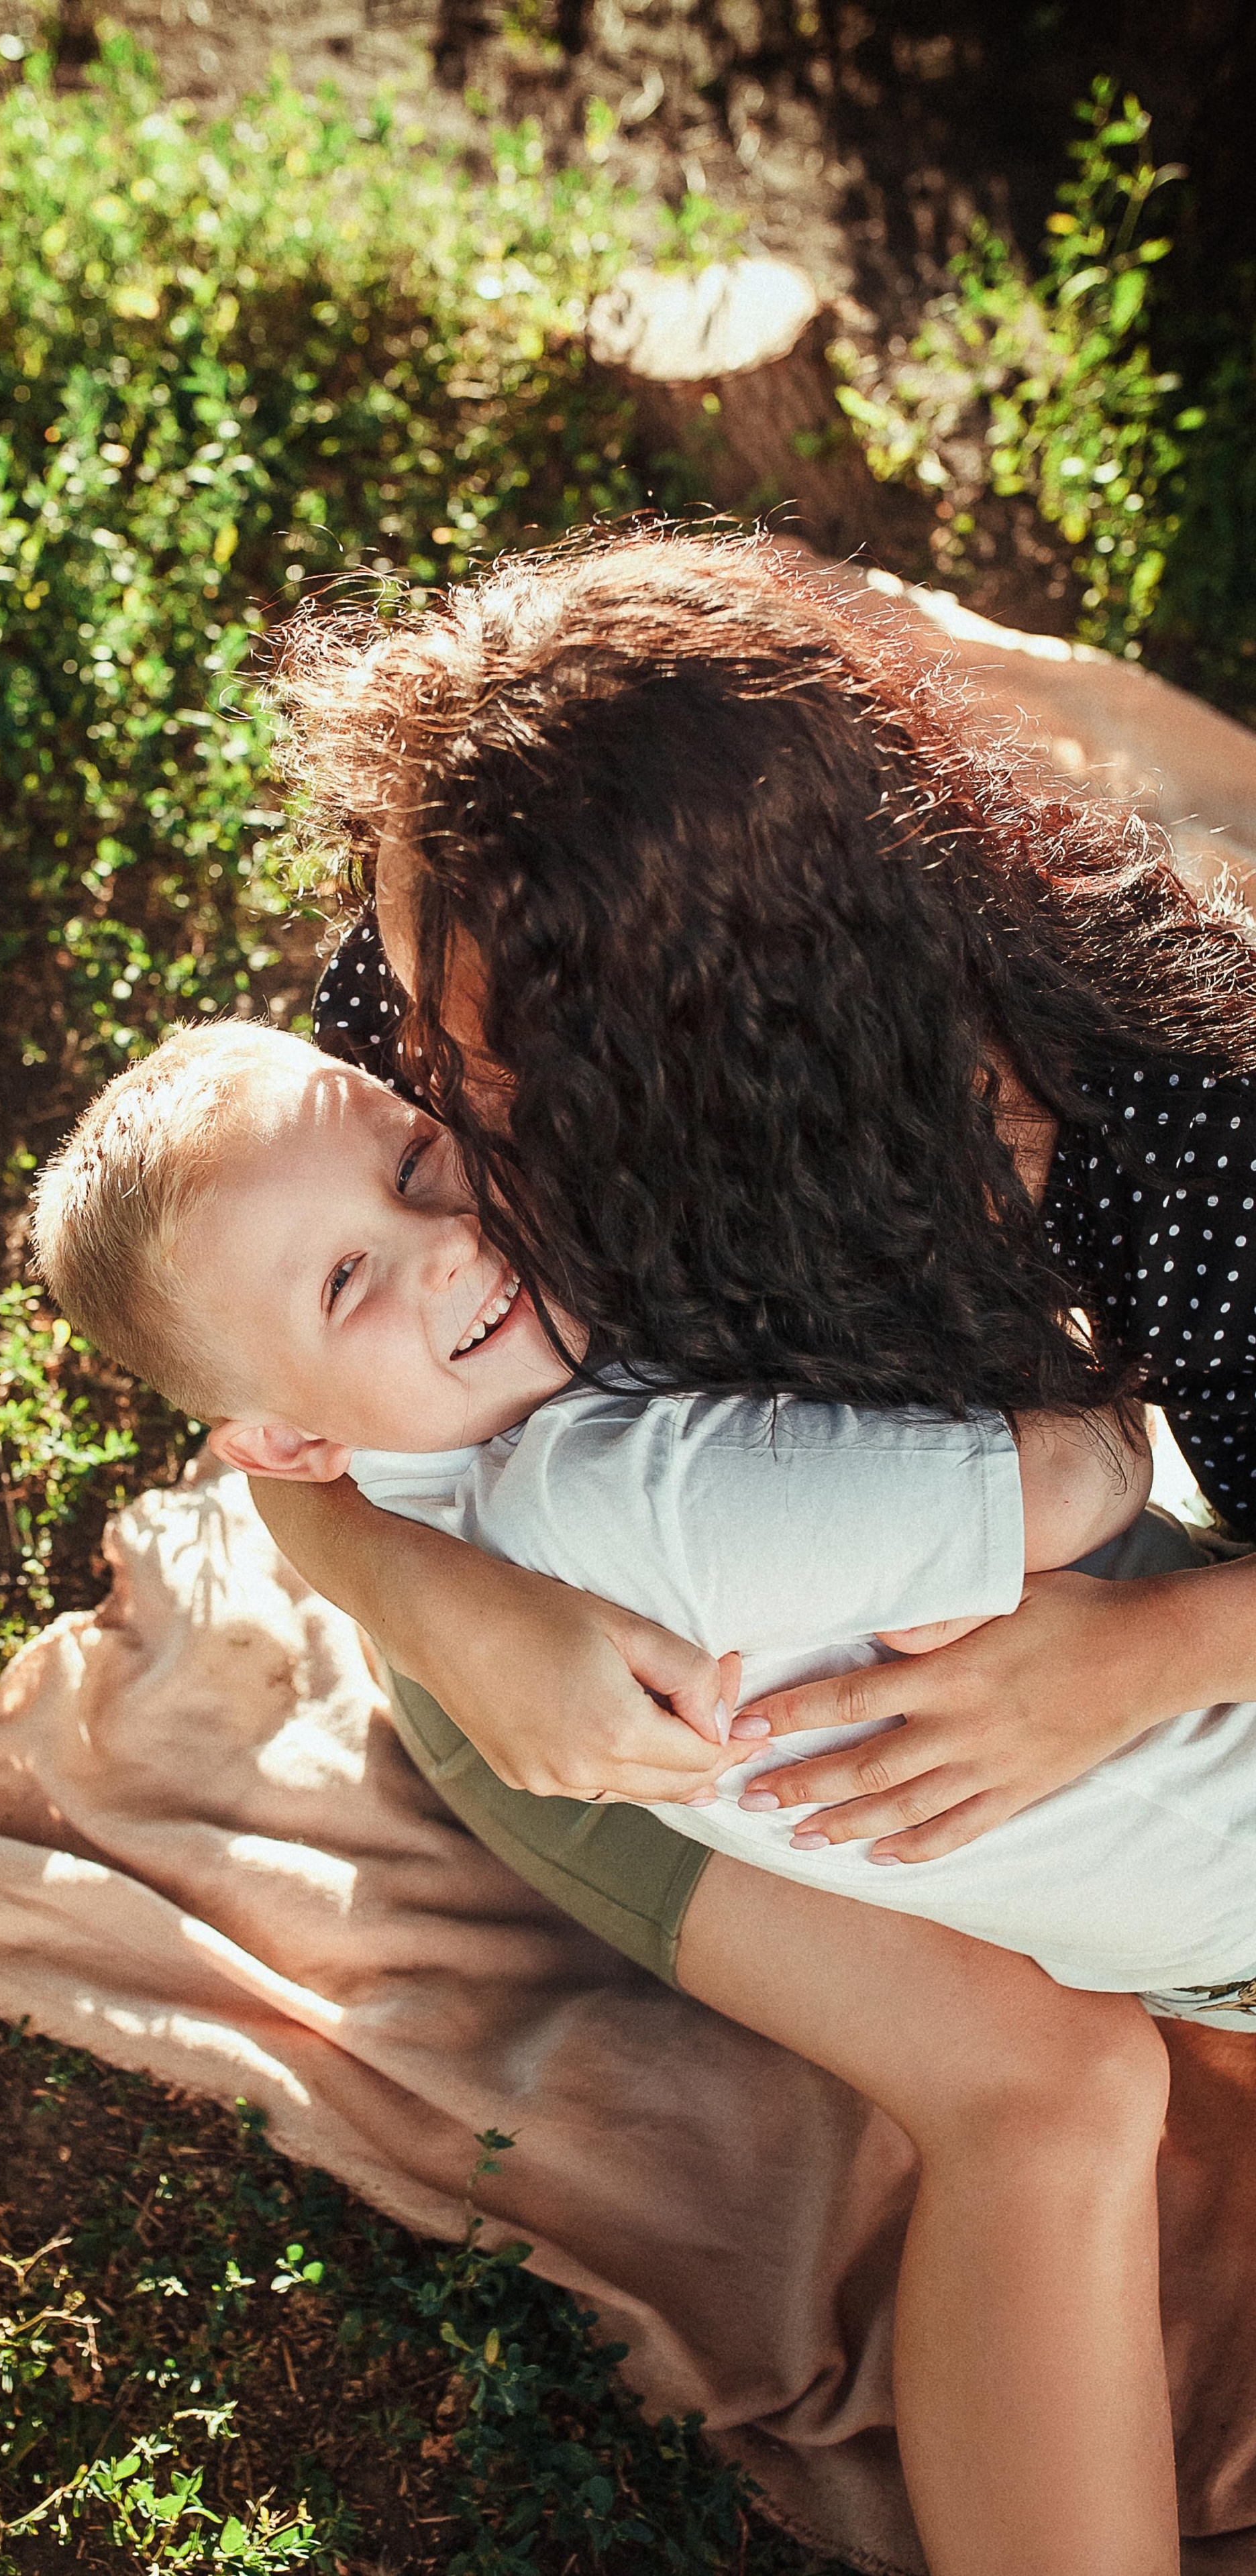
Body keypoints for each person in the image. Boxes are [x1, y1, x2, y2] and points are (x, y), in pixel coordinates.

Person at [228, 527, 1256, 2576]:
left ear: (727, 1047)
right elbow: (257, 1373)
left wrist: (1141, 1662)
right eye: (410, 997)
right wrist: (434, 1603)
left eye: (480, 1063)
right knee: (1046, 2089)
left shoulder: (1191, 1127)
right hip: (582, 1692)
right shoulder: (444, 977)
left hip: (1015, 1650)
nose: (416, 1069)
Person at [28, 1016, 1256, 2027]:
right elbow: (1093, 1471)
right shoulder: (629, 1500)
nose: (449, 1244)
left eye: (415, 1165)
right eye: (348, 1283)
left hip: (1187, 1938)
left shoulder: (419, 1461)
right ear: (292, 1444)